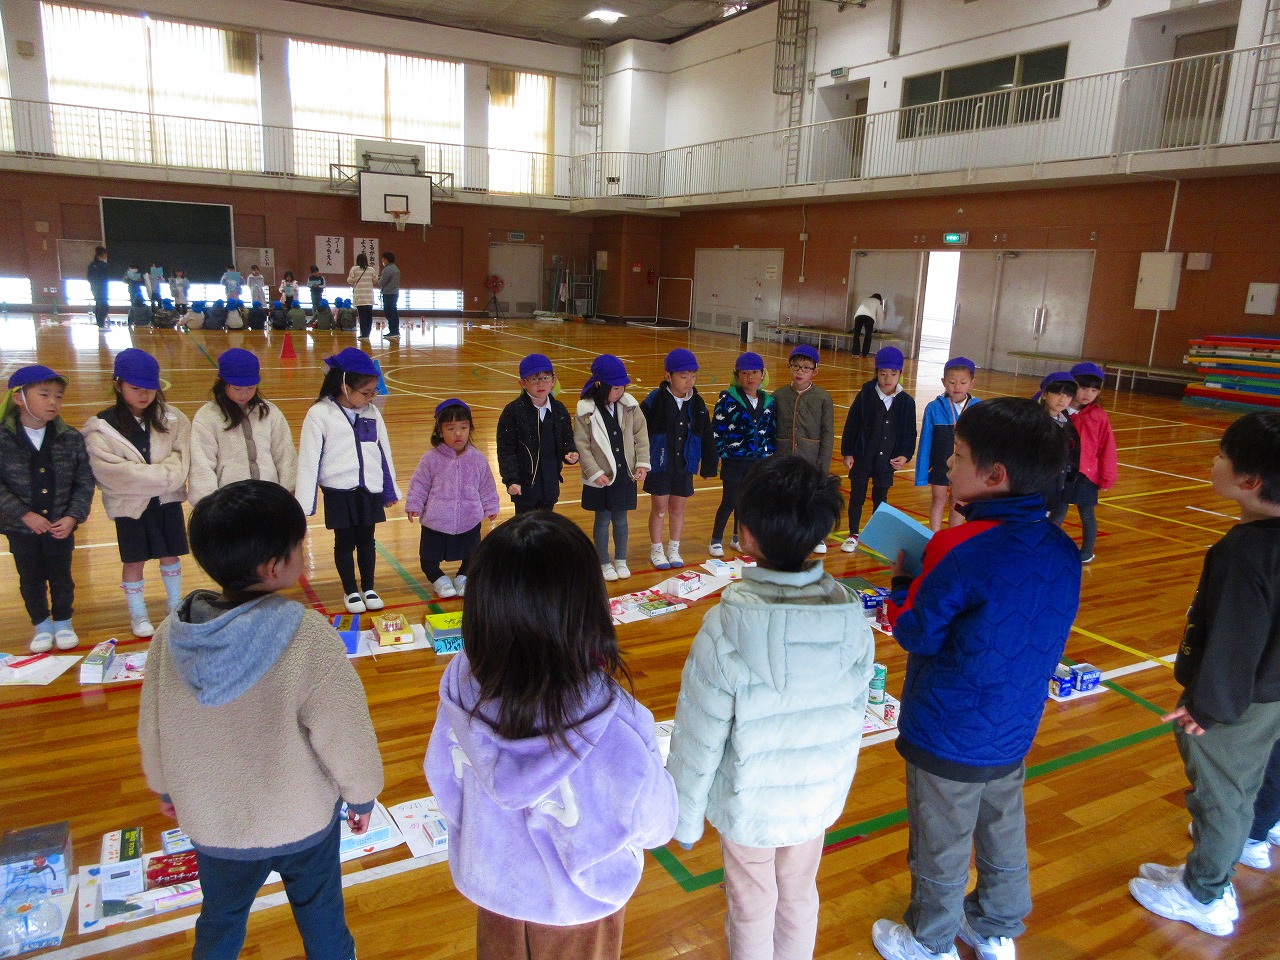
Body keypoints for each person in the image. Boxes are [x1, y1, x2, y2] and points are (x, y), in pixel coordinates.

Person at [871, 397, 1081, 960]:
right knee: (1001, 824)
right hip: (1014, 723)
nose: (947, 463)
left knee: (940, 841)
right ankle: (996, 926)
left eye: (958, 455)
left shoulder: (957, 547)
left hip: (948, 728)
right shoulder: (1063, 548)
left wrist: (902, 585)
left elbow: (916, 632)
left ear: (995, 475)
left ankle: (930, 940)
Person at [138, 479, 384, 960]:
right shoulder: (307, 635)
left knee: (220, 920)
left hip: (215, 824)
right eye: (299, 545)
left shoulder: (172, 634)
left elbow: (154, 724)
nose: (303, 552)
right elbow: (345, 732)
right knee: (323, 920)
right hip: (301, 821)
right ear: (273, 567)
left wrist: (165, 787)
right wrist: (362, 794)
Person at [424, 510, 677, 960]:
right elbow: (655, 824)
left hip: (495, 892)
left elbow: (444, 783)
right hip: (580, 908)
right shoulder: (615, 722)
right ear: (588, 609)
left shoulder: (461, 690)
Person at [667, 455, 875, 960]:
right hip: (814, 798)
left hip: (751, 805)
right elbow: (853, 717)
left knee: (750, 902)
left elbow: (698, 736)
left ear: (746, 536)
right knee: (799, 892)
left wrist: (684, 818)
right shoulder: (852, 618)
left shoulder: (724, 626)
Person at [1128, 411, 1280, 938]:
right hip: (1268, 694)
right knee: (1240, 788)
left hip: (1240, 702)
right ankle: (1211, 874)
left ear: (1249, 480)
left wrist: (1207, 706)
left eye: (1221, 456)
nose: (1213, 462)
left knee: (1221, 796)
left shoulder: (1246, 552)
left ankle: (1205, 894)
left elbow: (1238, 639)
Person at [82, 348, 190, 639]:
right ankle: (138, 614)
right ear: (118, 385)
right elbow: (113, 474)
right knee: (134, 560)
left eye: (150, 389)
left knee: (170, 555)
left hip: (167, 503)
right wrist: (162, 477)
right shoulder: (101, 427)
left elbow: (182, 460)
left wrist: (148, 478)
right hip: (129, 507)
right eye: (136, 388)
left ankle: (175, 605)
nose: (144, 395)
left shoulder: (174, 419)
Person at [295, 348, 400, 614]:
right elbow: (309, 459)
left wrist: (389, 490)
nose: (370, 398)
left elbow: (383, 451)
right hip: (339, 492)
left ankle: (369, 587)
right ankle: (351, 590)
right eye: (366, 393)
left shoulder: (372, 413)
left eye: (373, 392)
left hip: (368, 490)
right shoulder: (320, 414)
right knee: (344, 542)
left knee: (367, 540)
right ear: (344, 386)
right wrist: (304, 504)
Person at [0, 365, 94, 652]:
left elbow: (84, 481)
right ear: (19, 397)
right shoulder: (3, 439)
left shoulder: (71, 437)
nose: (53, 402)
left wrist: (73, 516)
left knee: (62, 577)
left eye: (58, 397)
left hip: (59, 528)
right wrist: (23, 514)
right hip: (20, 529)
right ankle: (41, 625)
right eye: (44, 395)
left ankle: (63, 622)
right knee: (31, 578)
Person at [405, 399, 498, 600]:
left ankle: (464, 577)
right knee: (428, 559)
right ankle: (439, 580)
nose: (458, 433)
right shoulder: (430, 459)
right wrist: (414, 504)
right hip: (436, 521)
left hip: (469, 519)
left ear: (470, 428)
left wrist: (491, 506)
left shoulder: (478, 459)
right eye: (451, 428)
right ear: (440, 431)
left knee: (472, 555)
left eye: (463, 427)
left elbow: (487, 485)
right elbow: (419, 484)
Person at [189, 349, 297, 507]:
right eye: (237, 389)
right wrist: (207, 504)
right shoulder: (207, 416)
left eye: (251, 388)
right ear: (221, 383)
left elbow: (285, 455)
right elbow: (202, 464)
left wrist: (289, 492)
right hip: (229, 503)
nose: (244, 394)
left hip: (269, 499)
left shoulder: (270, 413)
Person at [574, 355, 650, 582]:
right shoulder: (585, 410)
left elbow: (641, 435)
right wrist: (594, 472)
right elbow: (582, 444)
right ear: (599, 385)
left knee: (621, 519)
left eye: (623, 387)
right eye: (616, 388)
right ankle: (603, 561)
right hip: (602, 478)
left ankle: (621, 559)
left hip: (624, 475)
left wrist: (642, 463)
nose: (620, 392)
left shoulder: (629, 406)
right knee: (602, 520)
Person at [641, 348, 717, 571]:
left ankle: (674, 548)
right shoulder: (654, 400)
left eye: (693, 376)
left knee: (677, 508)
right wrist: (640, 461)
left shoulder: (698, 403)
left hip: (684, 465)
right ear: (668, 376)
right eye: (683, 376)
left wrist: (709, 465)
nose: (689, 381)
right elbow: (639, 432)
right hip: (659, 464)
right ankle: (656, 548)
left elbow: (706, 435)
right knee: (660, 508)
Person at [840, 345, 916, 552]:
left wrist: (905, 455)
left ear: (901, 373)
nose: (888, 378)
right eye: (883, 373)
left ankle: (877, 535)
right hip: (862, 458)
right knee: (857, 497)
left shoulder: (906, 402)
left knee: (881, 498)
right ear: (876, 372)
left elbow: (909, 432)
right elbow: (852, 424)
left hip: (886, 461)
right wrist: (848, 452)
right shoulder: (865, 396)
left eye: (893, 373)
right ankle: (853, 534)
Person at [496, 353, 578, 515]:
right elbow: (506, 450)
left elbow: (566, 437)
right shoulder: (513, 411)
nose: (541, 383)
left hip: (550, 485)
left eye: (545, 378)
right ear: (523, 383)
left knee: (546, 523)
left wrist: (570, 451)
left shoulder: (559, 409)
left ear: (553, 380)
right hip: (524, 487)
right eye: (534, 379)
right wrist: (511, 479)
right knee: (525, 525)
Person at [710, 351, 775, 557]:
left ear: (763, 374)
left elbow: (771, 429)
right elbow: (717, 428)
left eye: (754, 372)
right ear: (737, 376)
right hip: (734, 460)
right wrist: (718, 453)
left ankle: (737, 537)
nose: (750, 377)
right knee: (729, 500)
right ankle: (716, 539)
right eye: (745, 373)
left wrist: (770, 454)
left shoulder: (768, 401)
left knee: (746, 501)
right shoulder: (727, 399)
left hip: (757, 461)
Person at [772, 344, 835, 552]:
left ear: (814, 372)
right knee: (784, 497)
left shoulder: (823, 398)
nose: (800, 371)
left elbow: (827, 433)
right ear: (789, 367)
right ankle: (786, 534)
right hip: (783, 457)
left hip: (810, 458)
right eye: (796, 366)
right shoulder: (779, 395)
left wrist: (823, 464)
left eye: (806, 368)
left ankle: (816, 536)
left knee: (809, 499)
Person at [1054, 361, 1116, 563]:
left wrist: (1107, 477)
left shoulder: (1099, 417)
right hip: (1060, 473)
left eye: (1094, 390)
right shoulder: (1058, 410)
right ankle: (1048, 547)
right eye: (1083, 387)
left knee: (1087, 515)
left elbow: (1107, 448)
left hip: (1085, 475)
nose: (1088, 394)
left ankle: (1087, 551)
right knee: (1057, 512)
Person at [915, 357, 980, 533]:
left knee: (958, 502)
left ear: (972, 383)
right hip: (940, 464)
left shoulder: (978, 408)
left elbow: (983, 442)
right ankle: (934, 536)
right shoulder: (934, 407)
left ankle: (952, 537)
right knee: (938, 498)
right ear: (943, 382)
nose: (957, 387)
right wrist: (921, 474)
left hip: (965, 467)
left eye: (963, 382)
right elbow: (925, 442)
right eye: (951, 382)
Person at [1035, 372, 1077, 522]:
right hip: (1035, 483)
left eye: (1068, 395)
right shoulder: (1033, 420)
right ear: (1044, 394)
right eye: (1058, 393)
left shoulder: (1066, 422)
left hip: (1054, 483)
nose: (1062, 399)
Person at [347, 255, 376, 340]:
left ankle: (364, 334)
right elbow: (375, 281)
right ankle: (368, 333)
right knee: (369, 316)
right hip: (369, 296)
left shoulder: (354, 269)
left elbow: (350, 280)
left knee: (362, 316)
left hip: (359, 296)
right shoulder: (371, 269)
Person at [852, 292, 885, 358]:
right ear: (879, 298)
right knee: (868, 335)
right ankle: (865, 353)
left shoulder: (865, 299)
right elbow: (880, 315)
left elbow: (861, 310)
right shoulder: (878, 302)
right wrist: (879, 327)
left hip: (858, 316)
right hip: (869, 317)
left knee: (856, 334)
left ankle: (855, 353)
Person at [378, 252, 400, 340]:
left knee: (389, 313)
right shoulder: (396, 268)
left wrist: (378, 279)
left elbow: (382, 282)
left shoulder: (387, 269)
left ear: (386, 259)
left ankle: (393, 331)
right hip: (395, 293)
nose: (382, 260)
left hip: (388, 294)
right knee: (393, 312)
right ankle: (395, 331)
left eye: (383, 259)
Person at [87, 246, 110, 327]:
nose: (106, 255)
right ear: (102, 254)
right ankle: (101, 324)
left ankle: (100, 324)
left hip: (94, 288)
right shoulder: (104, 265)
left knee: (99, 304)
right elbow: (106, 278)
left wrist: (94, 284)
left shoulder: (91, 264)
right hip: (102, 288)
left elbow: (89, 277)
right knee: (103, 306)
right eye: (105, 253)